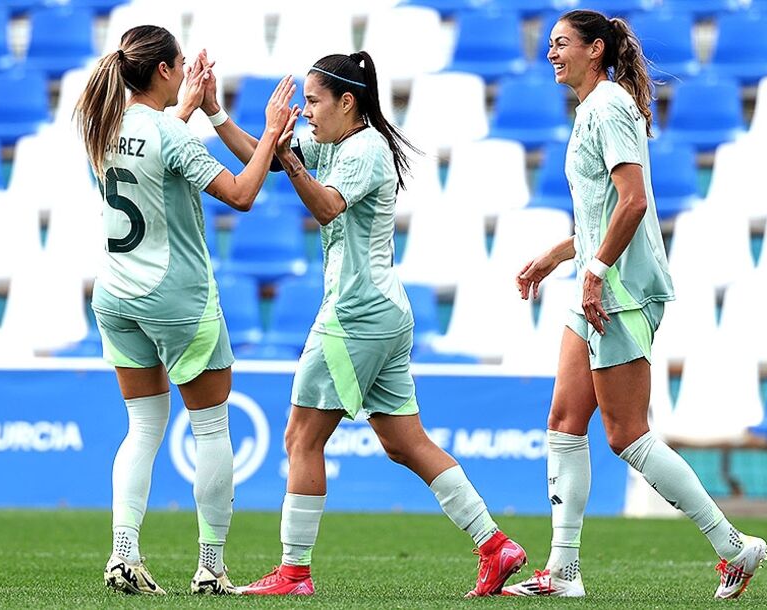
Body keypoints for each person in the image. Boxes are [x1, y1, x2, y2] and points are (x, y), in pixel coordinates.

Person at [192, 50, 527, 597]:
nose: (306, 111)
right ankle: (495, 545)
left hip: (356, 316)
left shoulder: (365, 147)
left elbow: (325, 207)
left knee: (302, 436)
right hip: (381, 312)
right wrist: (215, 113)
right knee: (405, 443)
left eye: (315, 101)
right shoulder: (340, 143)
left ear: (348, 102)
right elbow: (265, 159)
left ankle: (294, 572)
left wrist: (289, 156)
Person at [501, 10, 767, 600]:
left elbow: (634, 202)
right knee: (565, 423)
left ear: (596, 50)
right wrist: (556, 257)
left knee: (627, 436)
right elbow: (602, 213)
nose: (551, 53)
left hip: (619, 291)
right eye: (549, 44)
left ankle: (734, 548)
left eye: (562, 44)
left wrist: (594, 272)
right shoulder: (591, 108)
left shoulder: (609, 107)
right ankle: (563, 572)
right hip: (597, 284)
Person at [73, 25, 299, 596]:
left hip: (116, 296)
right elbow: (243, 194)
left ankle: (123, 554)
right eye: (180, 66)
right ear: (167, 71)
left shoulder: (103, 128)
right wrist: (271, 132)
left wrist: (193, 110)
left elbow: (149, 154)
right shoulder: (172, 137)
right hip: (176, 298)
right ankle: (210, 566)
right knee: (211, 426)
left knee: (143, 428)